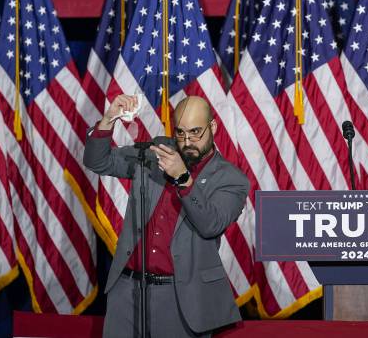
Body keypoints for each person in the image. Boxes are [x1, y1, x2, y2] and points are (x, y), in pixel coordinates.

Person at [83, 94, 249, 337]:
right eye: (180, 133)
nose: (187, 141)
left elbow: (211, 224)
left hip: (181, 298)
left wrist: (183, 179)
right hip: (127, 290)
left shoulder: (231, 179)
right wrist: (109, 119)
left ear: (212, 127)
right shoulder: (156, 152)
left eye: (195, 132)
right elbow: (98, 161)